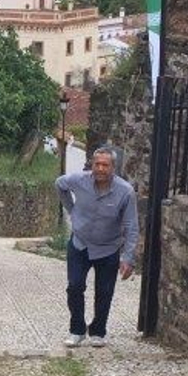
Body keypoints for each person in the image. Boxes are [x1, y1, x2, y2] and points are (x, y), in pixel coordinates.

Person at [56, 145, 138, 348]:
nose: (100, 168)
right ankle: (76, 330)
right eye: (97, 164)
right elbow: (59, 184)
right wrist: (72, 211)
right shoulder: (78, 180)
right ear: (92, 165)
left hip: (108, 248)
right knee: (74, 287)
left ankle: (98, 331)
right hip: (80, 244)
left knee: (105, 291)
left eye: (105, 165)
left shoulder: (125, 192)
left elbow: (131, 226)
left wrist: (127, 258)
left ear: (113, 167)